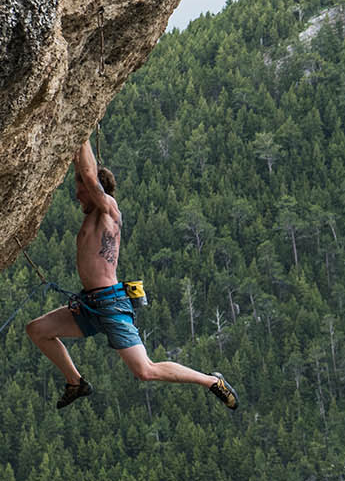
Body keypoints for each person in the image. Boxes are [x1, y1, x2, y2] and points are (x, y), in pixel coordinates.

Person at [27, 140, 237, 411]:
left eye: (80, 189)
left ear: (95, 190)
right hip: (91, 303)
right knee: (37, 330)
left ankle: (210, 381)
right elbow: (86, 174)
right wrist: (78, 154)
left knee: (145, 370)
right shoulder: (94, 212)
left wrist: (82, 134)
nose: (77, 195)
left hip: (111, 304)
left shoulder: (108, 209)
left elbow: (90, 176)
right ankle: (75, 382)